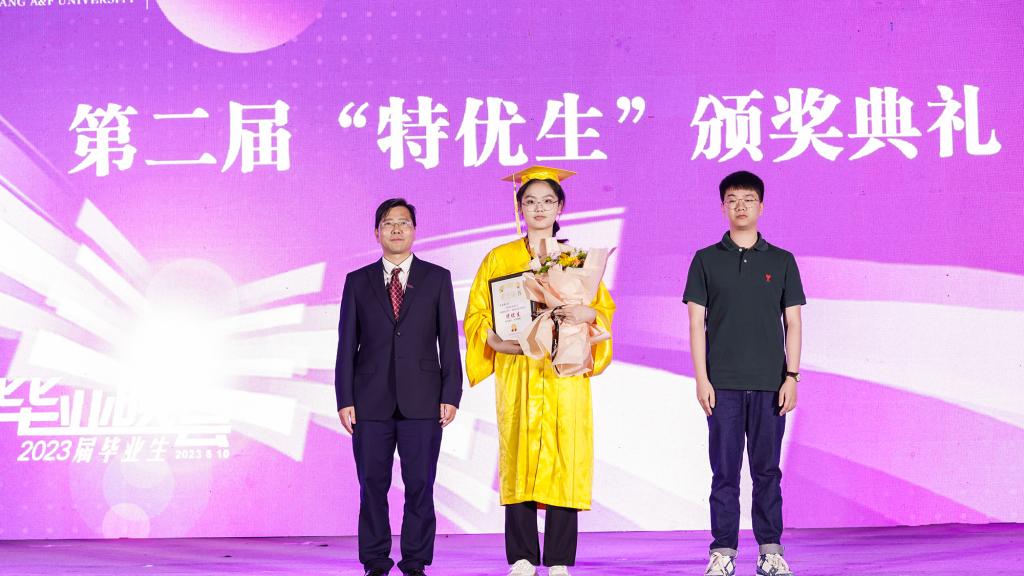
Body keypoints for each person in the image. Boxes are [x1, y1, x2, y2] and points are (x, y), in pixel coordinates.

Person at [464, 166, 615, 576]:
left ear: (560, 206)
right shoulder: (499, 258)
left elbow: (601, 312)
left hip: (563, 370)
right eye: (530, 201)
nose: (539, 208)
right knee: (519, 453)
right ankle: (523, 556)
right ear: (520, 208)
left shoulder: (575, 259)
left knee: (565, 454)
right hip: (519, 368)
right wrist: (495, 341)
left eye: (548, 201)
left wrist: (587, 315)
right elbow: (477, 313)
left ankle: (560, 558)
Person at [683, 171, 805, 576]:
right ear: (723, 207)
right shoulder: (705, 259)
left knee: (767, 472)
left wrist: (792, 377)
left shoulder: (782, 260)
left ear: (761, 207)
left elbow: (793, 322)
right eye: (733, 199)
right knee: (725, 473)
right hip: (723, 386)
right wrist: (702, 379)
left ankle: (770, 552)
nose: (740, 206)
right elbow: (696, 324)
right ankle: (723, 552)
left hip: (771, 385)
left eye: (748, 199)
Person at [335, 198, 463, 576]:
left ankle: (415, 561)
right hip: (369, 401)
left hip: (423, 399)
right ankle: (375, 561)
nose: (396, 229)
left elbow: (448, 341)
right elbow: (346, 344)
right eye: (388, 223)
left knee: (420, 485)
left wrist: (450, 394)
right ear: (376, 232)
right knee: (372, 485)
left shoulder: (437, 278)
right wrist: (344, 398)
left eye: (403, 223)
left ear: (414, 231)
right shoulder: (357, 281)